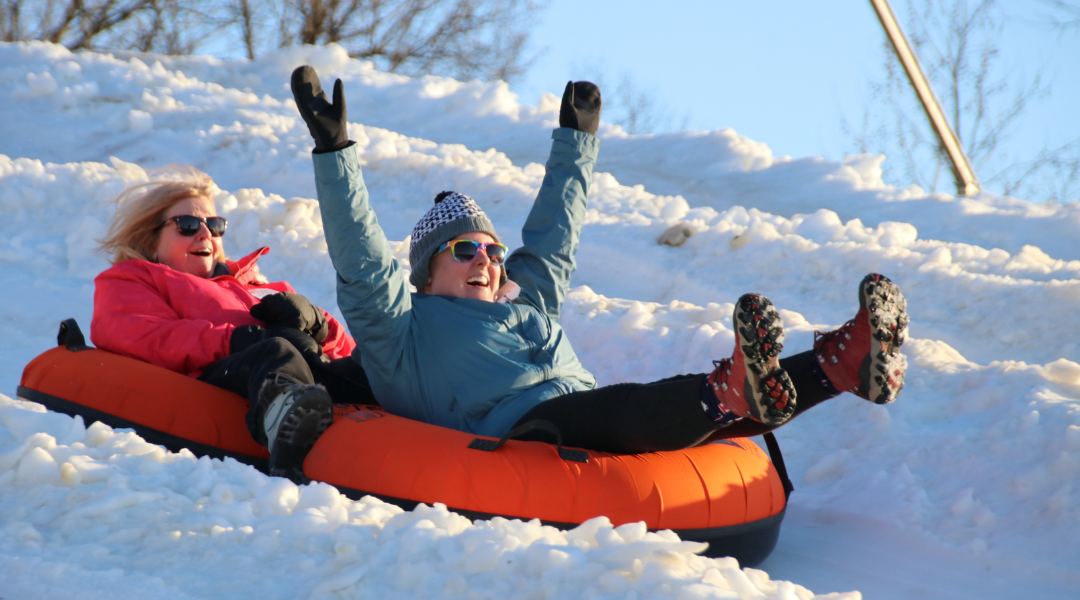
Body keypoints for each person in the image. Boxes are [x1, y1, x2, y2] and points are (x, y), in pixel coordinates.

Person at [288, 65, 910, 454]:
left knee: (696, 418)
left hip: (584, 415)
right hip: (522, 434)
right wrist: (335, 150)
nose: (487, 260)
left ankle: (844, 362)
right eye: (466, 249)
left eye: (493, 250)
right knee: (624, 407)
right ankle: (730, 388)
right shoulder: (402, 331)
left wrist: (576, 143)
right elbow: (366, 263)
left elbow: (555, 240)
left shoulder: (523, 302)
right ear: (427, 272)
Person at [90, 165, 372, 477]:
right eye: (186, 224)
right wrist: (233, 340)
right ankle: (289, 432)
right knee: (275, 351)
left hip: (306, 372)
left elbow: (344, 350)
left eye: (214, 225)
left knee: (371, 363)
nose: (205, 233)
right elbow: (140, 333)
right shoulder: (135, 278)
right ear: (151, 241)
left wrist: (318, 323)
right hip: (224, 374)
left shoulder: (259, 285)